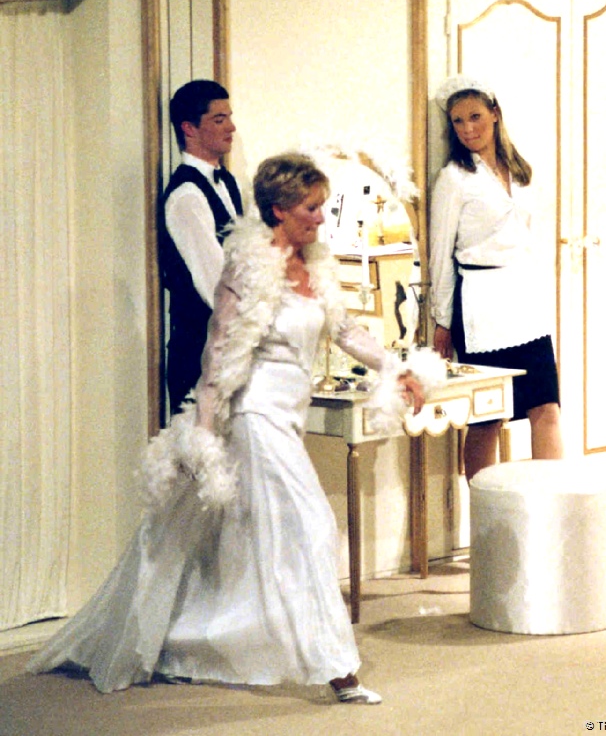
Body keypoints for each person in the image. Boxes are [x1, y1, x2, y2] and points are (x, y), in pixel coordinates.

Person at [28, 152, 438, 704]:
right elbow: (219, 352)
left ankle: (187, 640)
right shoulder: (247, 267)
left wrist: (396, 367)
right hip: (254, 413)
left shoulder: (316, 264)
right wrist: (202, 434)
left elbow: (344, 330)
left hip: (289, 415)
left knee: (248, 541)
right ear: (279, 209)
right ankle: (338, 669)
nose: (322, 217)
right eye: (312, 208)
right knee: (311, 525)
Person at [429, 74, 563, 483]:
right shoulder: (455, 178)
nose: (467, 128)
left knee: (547, 408)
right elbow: (440, 253)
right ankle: (485, 513)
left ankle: (549, 504)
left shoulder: (520, 171)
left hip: (524, 303)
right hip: (480, 307)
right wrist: (441, 320)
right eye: (457, 121)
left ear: (495, 114)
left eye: (474, 117)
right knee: (487, 416)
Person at [160, 79, 243, 415]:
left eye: (229, 117)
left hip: (229, 351)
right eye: (219, 119)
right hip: (198, 354)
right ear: (189, 128)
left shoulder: (228, 182)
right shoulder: (187, 197)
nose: (231, 127)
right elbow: (215, 284)